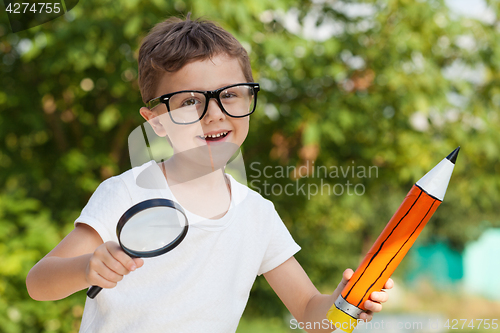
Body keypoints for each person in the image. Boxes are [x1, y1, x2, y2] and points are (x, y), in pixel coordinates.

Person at [26, 14, 393, 333]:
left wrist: (347, 307)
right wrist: (87, 268)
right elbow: (38, 283)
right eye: (189, 101)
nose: (214, 113)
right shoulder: (125, 192)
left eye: (230, 94)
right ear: (156, 122)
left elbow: (313, 317)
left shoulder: (257, 215)